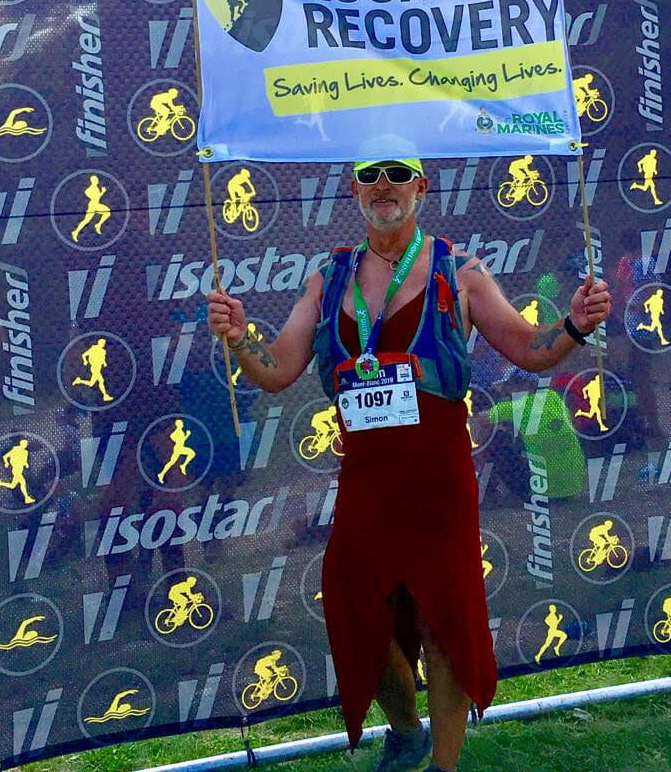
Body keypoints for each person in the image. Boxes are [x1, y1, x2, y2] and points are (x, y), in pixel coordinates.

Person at [207, 155, 610, 772]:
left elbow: (531, 349)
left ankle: (444, 767)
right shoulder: (329, 280)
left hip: (439, 479)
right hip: (367, 479)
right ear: (355, 190)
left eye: (398, 174)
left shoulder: (460, 271)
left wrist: (575, 326)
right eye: (371, 175)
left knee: (444, 621)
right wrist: (240, 338)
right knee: (352, 607)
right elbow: (276, 369)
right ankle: (406, 729)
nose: (384, 186)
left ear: (421, 187)